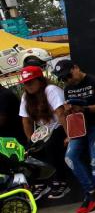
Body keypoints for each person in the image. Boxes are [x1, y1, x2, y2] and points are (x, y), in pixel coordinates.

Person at [52, 60, 95, 213]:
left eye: (68, 75)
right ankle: (91, 191)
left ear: (76, 68)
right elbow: (70, 114)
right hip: (79, 128)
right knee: (70, 157)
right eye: (63, 79)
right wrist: (68, 114)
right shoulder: (68, 89)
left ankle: (91, 196)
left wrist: (85, 109)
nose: (67, 80)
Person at [18, 66, 70, 200]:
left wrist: (70, 135)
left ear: (40, 80)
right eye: (26, 83)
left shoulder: (50, 90)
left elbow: (61, 114)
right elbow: (26, 121)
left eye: (31, 82)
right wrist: (30, 141)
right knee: (29, 151)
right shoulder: (26, 97)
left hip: (61, 126)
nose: (28, 86)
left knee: (51, 145)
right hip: (44, 131)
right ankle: (40, 184)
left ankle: (61, 181)